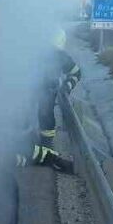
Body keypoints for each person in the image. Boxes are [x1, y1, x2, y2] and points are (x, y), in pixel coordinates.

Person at [15, 28, 81, 174]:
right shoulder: (37, 55)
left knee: (46, 119)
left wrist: (67, 86)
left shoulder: (61, 57)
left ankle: (44, 148)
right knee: (25, 120)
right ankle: (39, 151)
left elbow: (76, 72)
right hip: (31, 92)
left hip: (47, 93)